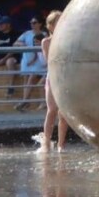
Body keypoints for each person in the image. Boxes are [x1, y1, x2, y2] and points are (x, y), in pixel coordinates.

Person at [39, 10, 69, 150]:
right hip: (53, 77)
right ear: (50, 25)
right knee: (52, 109)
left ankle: (61, 145)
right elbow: (49, 60)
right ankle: (46, 142)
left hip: (64, 77)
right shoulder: (46, 42)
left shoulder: (68, 40)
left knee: (63, 113)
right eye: (57, 21)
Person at [15, 16, 48, 111]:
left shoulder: (44, 35)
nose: (32, 24)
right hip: (35, 62)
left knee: (36, 81)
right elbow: (16, 43)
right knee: (29, 80)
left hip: (43, 64)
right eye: (31, 23)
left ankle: (39, 102)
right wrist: (23, 45)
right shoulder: (27, 34)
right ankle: (26, 101)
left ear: (40, 24)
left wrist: (36, 61)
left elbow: (43, 51)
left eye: (34, 22)